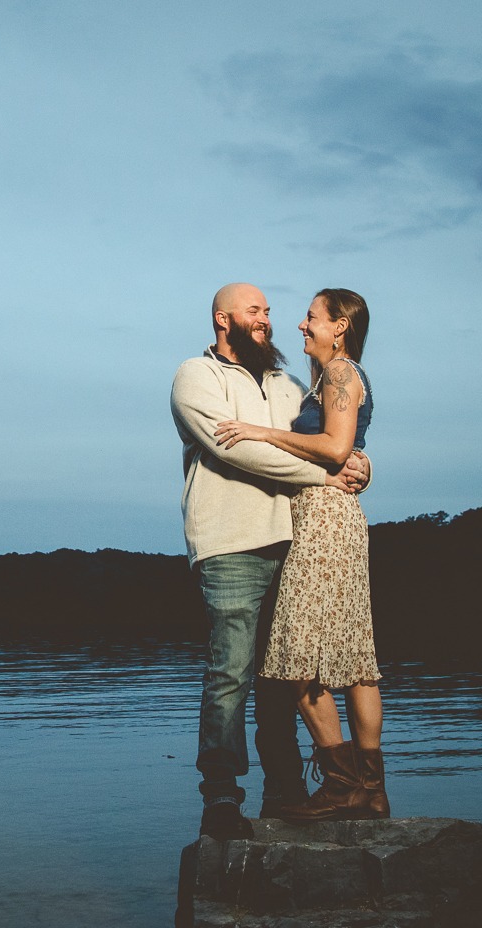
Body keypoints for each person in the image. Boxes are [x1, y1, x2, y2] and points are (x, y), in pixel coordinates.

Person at [171, 282, 369, 840]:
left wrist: (360, 464)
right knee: (231, 671)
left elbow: (319, 436)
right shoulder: (195, 376)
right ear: (222, 319)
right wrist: (328, 474)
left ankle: (286, 792)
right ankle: (222, 799)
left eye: (268, 312)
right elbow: (238, 449)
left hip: (294, 540)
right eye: (254, 311)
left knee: (282, 677)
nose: (266, 320)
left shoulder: (286, 384)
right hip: (229, 542)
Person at [213, 287, 388, 822]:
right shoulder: (330, 377)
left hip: (322, 523)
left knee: (294, 659)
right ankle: (370, 791)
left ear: (338, 326)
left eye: (310, 317)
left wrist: (260, 432)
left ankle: (341, 786)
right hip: (332, 520)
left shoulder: (339, 373)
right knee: (355, 658)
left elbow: (336, 448)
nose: (299, 326)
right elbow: (346, 449)